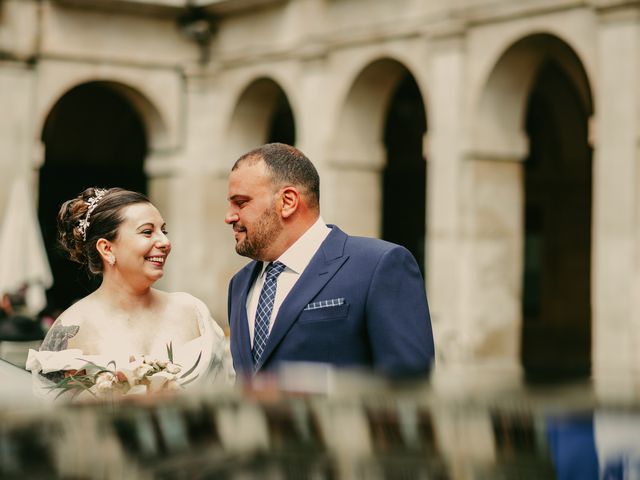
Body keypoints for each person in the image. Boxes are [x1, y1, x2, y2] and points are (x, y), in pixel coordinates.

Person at [225, 143, 435, 378]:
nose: (229, 216)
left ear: (288, 202)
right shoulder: (239, 284)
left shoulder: (378, 266)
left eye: (241, 203)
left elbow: (410, 388)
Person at [26, 187, 233, 400]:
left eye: (164, 231)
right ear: (107, 249)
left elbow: (224, 394)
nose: (164, 242)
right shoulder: (71, 328)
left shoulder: (193, 311)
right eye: (147, 232)